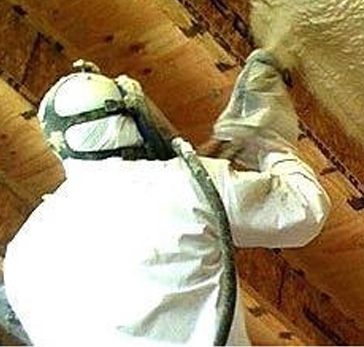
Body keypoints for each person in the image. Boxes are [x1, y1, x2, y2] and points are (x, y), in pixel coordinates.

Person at [3, 49, 330, 345]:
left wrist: (229, 141)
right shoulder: (184, 184)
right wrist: (272, 144)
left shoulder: (23, 253)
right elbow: (303, 209)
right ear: (130, 117)